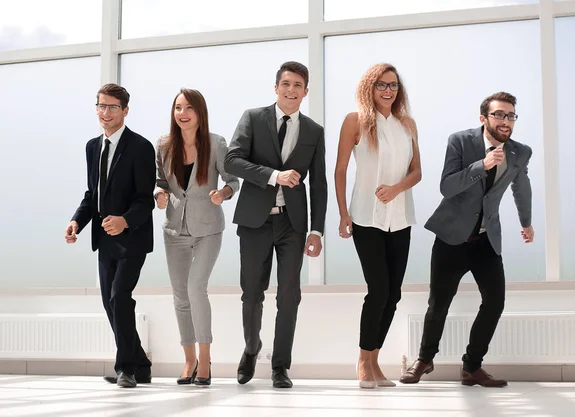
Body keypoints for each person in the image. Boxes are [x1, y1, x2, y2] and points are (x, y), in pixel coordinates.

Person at [400, 91, 534, 387]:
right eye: (499, 114)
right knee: (439, 303)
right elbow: (447, 187)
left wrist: (527, 223)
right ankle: (424, 359)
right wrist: (482, 166)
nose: (505, 121)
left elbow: (521, 187)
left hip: (486, 240)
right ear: (483, 117)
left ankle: (472, 367)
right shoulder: (461, 141)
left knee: (495, 302)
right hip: (452, 238)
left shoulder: (520, 152)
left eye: (510, 115)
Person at [224, 61, 327, 389]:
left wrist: (316, 230)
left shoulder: (314, 131)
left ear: (305, 91)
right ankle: (252, 348)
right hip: (255, 222)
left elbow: (319, 184)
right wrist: (273, 176)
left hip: (292, 225)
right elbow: (232, 160)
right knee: (252, 294)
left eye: (298, 85)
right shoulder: (253, 118)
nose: (291, 90)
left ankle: (280, 366)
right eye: (285, 84)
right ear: (276, 87)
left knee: (289, 295)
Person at [334, 63, 421, 388]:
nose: (388, 90)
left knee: (394, 294)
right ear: (369, 88)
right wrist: (344, 214)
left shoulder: (407, 123)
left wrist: (397, 188)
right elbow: (341, 169)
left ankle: (375, 360)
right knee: (378, 290)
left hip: (400, 218)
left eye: (393, 86)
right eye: (382, 85)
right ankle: (362, 361)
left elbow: (417, 171)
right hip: (366, 216)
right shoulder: (355, 121)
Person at [65, 83, 155, 388]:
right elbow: (94, 194)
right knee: (110, 303)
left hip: (132, 238)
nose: (105, 113)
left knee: (119, 298)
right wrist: (77, 221)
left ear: (125, 111)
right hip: (104, 240)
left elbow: (146, 199)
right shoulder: (93, 146)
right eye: (100, 106)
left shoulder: (141, 147)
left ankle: (125, 368)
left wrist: (124, 221)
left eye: (112, 107)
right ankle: (141, 364)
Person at [154, 88, 239, 387]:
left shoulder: (216, 143)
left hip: (208, 228)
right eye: (178, 107)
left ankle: (205, 358)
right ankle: (188, 359)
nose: (182, 113)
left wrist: (223, 194)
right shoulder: (164, 145)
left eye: (189, 107)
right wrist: (159, 193)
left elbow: (232, 180)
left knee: (195, 288)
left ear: (200, 112)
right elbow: (160, 180)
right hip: (174, 228)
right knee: (180, 296)